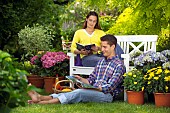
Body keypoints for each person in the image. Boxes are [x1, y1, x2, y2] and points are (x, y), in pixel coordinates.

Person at [27, 34, 126, 104]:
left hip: (106, 95)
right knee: (73, 90)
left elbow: (109, 87)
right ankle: (40, 97)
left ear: (113, 47)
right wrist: (80, 80)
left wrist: (92, 88)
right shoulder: (101, 61)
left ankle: (43, 103)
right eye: (101, 47)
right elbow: (91, 79)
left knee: (79, 92)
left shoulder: (119, 65)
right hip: (94, 90)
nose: (102, 49)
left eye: (105, 47)